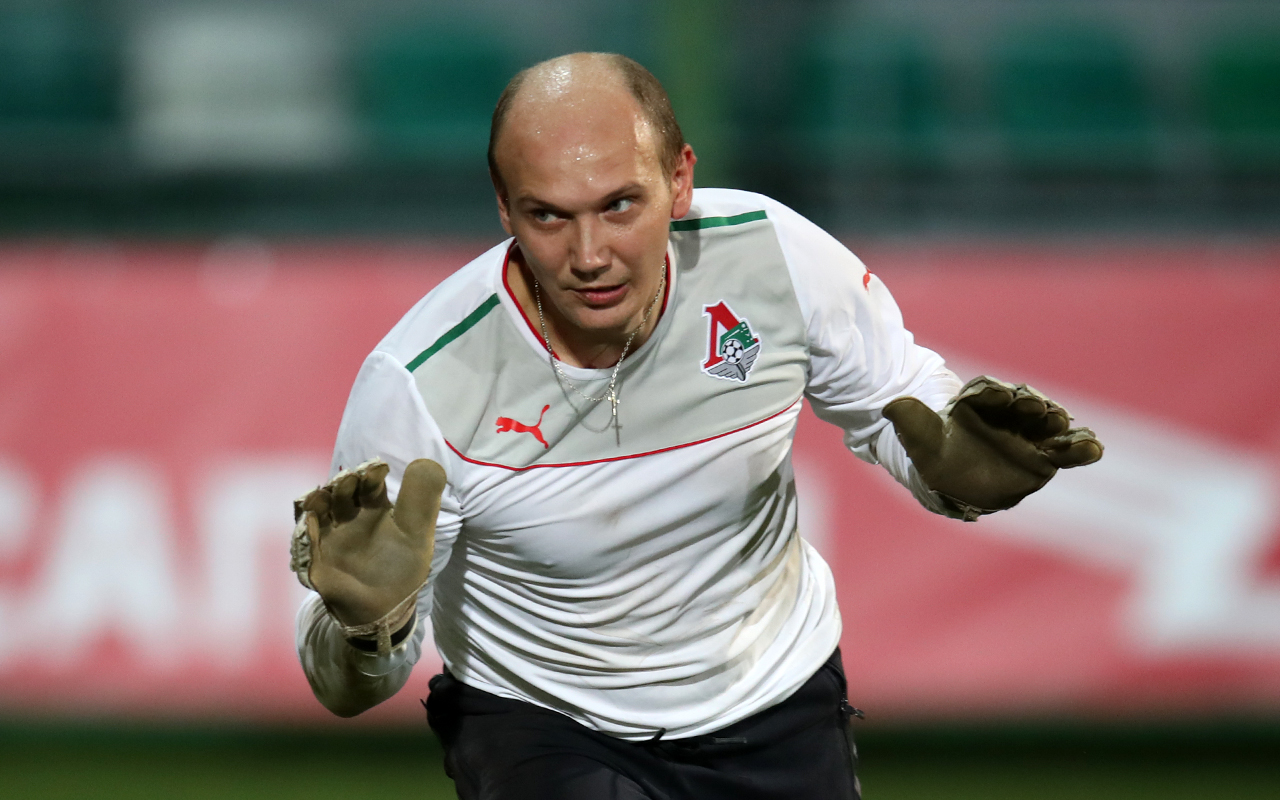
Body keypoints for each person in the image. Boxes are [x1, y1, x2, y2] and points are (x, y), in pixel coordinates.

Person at [290, 52, 1102, 799]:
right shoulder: (419, 384)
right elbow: (347, 686)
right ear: (503, 206)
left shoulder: (770, 257)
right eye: (548, 216)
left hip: (778, 701)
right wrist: (368, 630)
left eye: (620, 205)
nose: (589, 254)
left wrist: (951, 473)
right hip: (544, 729)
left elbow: (900, 401)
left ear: (680, 180)